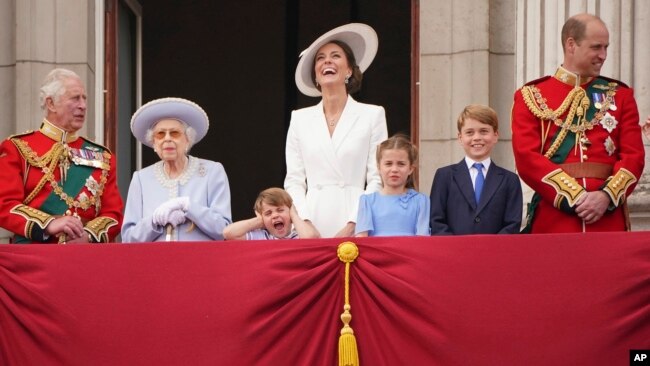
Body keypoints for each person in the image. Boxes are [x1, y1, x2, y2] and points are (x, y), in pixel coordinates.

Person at [511, 13, 645, 233]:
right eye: (596, 47)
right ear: (571, 45)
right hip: (555, 221)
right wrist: (574, 197)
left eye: (606, 48)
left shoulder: (620, 95)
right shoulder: (531, 96)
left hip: (608, 221)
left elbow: (634, 156)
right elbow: (527, 158)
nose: (603, 55)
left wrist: (605, 196)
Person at [284, 23, 388, 238]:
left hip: (355, 220)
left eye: (335, 56)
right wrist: (304, 222)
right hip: (311, 223)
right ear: (315, 73)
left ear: (349, 70)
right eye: (320, 58)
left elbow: (377, 178)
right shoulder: (299, 119)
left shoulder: (372, 115)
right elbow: (294, 180)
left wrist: (354, 224)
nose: (327, 61)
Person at [0, 68, 123, 243]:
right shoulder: (17, 147)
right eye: (75, 98)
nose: (83, 105)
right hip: (34, 255)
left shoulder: (103, 156)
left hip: (85, 256)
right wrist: (49, 224)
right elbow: (4, 204)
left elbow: (114, 215)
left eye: (84, 98)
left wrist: (88, 236)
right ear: (50, 104)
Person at [121, 97, 232, 242]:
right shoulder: (141, 179)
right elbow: (128, 238)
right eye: (160, 134)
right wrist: (154, 221)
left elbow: (224, 230)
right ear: (154, 143)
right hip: (154, 262)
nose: (167, 139)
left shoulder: (212, 172)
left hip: (202, 261)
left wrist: (189, 207)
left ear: (188, 140)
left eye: (174, 133)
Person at [430, 105, 522, 235]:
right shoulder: (444, 176)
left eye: (484, 131)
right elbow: (436, 221)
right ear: (460, 138)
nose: (477, 137)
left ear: (495, 135)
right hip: (453, 252)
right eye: (469, 132)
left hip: (494, 253)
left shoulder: (510, 180)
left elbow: (512, 224)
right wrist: (457, 249)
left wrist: (488, 250)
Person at [355, 135, 430, 237]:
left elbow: (423, 238)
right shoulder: (367, 201)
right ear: (379, 167)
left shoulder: (421, 201)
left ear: (411, 169)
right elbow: (362, 239)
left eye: (401, 164)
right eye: (388, 163)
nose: (394, 169)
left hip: (409, 252)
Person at [223, 187, 320, 240]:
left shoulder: (299, 236)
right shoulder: (261, 237)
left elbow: (311, 239)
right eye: (268, 213)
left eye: (280, 210)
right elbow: (228, 233)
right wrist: (258, 221)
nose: (275, 215)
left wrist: (294, 216)